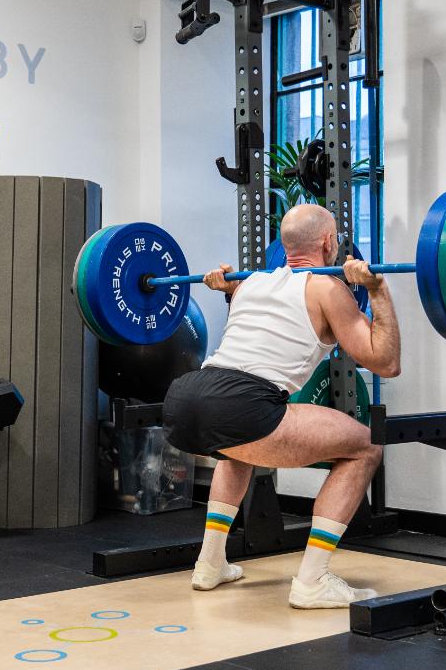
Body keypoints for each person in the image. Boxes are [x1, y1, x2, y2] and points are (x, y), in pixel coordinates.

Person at [162, 204, 400, 609]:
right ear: (328, 242)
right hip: (242, 400)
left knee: (238, 448)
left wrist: (226, 288)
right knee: (367, 445)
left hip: (184, 400)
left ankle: (210, 563)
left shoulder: (250, 284)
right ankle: (312, 581)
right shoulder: (327, 289)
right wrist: (377, 291)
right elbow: (385, 362)